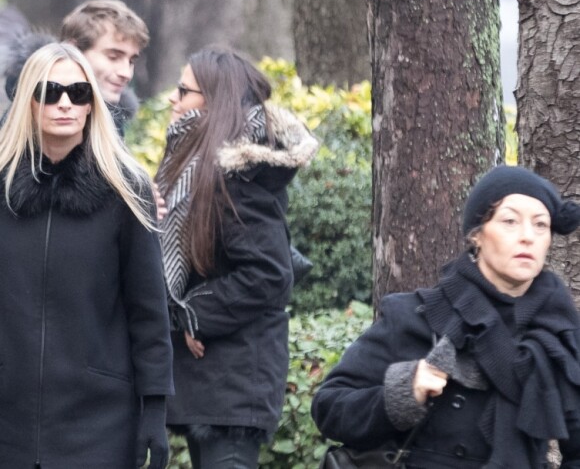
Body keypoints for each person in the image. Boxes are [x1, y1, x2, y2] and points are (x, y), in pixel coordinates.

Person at [312, 165, 580, 467]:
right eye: (510, 221)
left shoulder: (559, 333)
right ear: (476, 235)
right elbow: (329, 407)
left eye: (541, 225)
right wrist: (406, 391)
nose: (527, 237)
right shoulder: (416, 316)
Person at [0, 42, 174, 468]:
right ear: (28, 99)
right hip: (8, 421)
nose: (65, 103)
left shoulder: (125, 190)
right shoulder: (2, 188)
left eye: (78, 93)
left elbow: (148, 309)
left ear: (92, 104)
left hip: (99, 423)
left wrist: (154, 410)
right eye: (50, 91)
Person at [154, 47, 318, 468]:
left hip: (233, 380)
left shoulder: (236, 176)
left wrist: (195, 313)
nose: (173, 99)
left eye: (183, 90)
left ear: (212, 100)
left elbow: (268, 274)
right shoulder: (197, 166)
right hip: (216, 383)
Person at [2, 0, 148, 136]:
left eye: (131, 61)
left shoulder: (113, 120)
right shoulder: (31, 119)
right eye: (113, 57)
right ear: (74, 51)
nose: (126, 73)